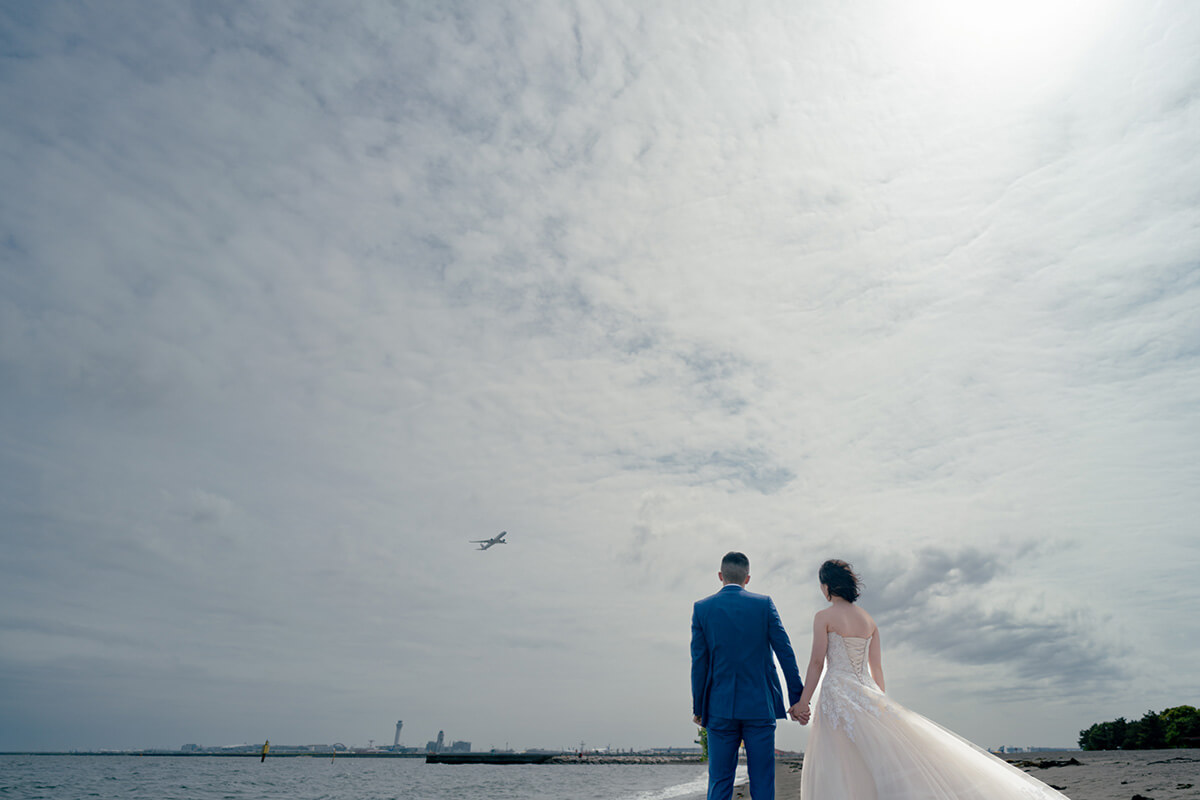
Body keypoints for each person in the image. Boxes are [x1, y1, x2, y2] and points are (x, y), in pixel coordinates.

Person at [789, 559, 1072, 799]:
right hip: (868, 692)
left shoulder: (823, 616)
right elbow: (877, 668)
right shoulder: (869, 620)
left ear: (827, 586)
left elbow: (817, 662)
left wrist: (803, 702)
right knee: (878, 757)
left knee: (842, 761)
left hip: (837, 693)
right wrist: (879, 702)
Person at [692, 552, 805, 800]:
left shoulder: (702, 608)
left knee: (720, 780)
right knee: (763, 780)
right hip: (759, 705)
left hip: (719, 707)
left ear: (720, 576)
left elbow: (699, 663)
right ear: (748, 578)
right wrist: (797, 697)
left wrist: (699, 707)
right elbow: (785, 653)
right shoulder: (764, 604)